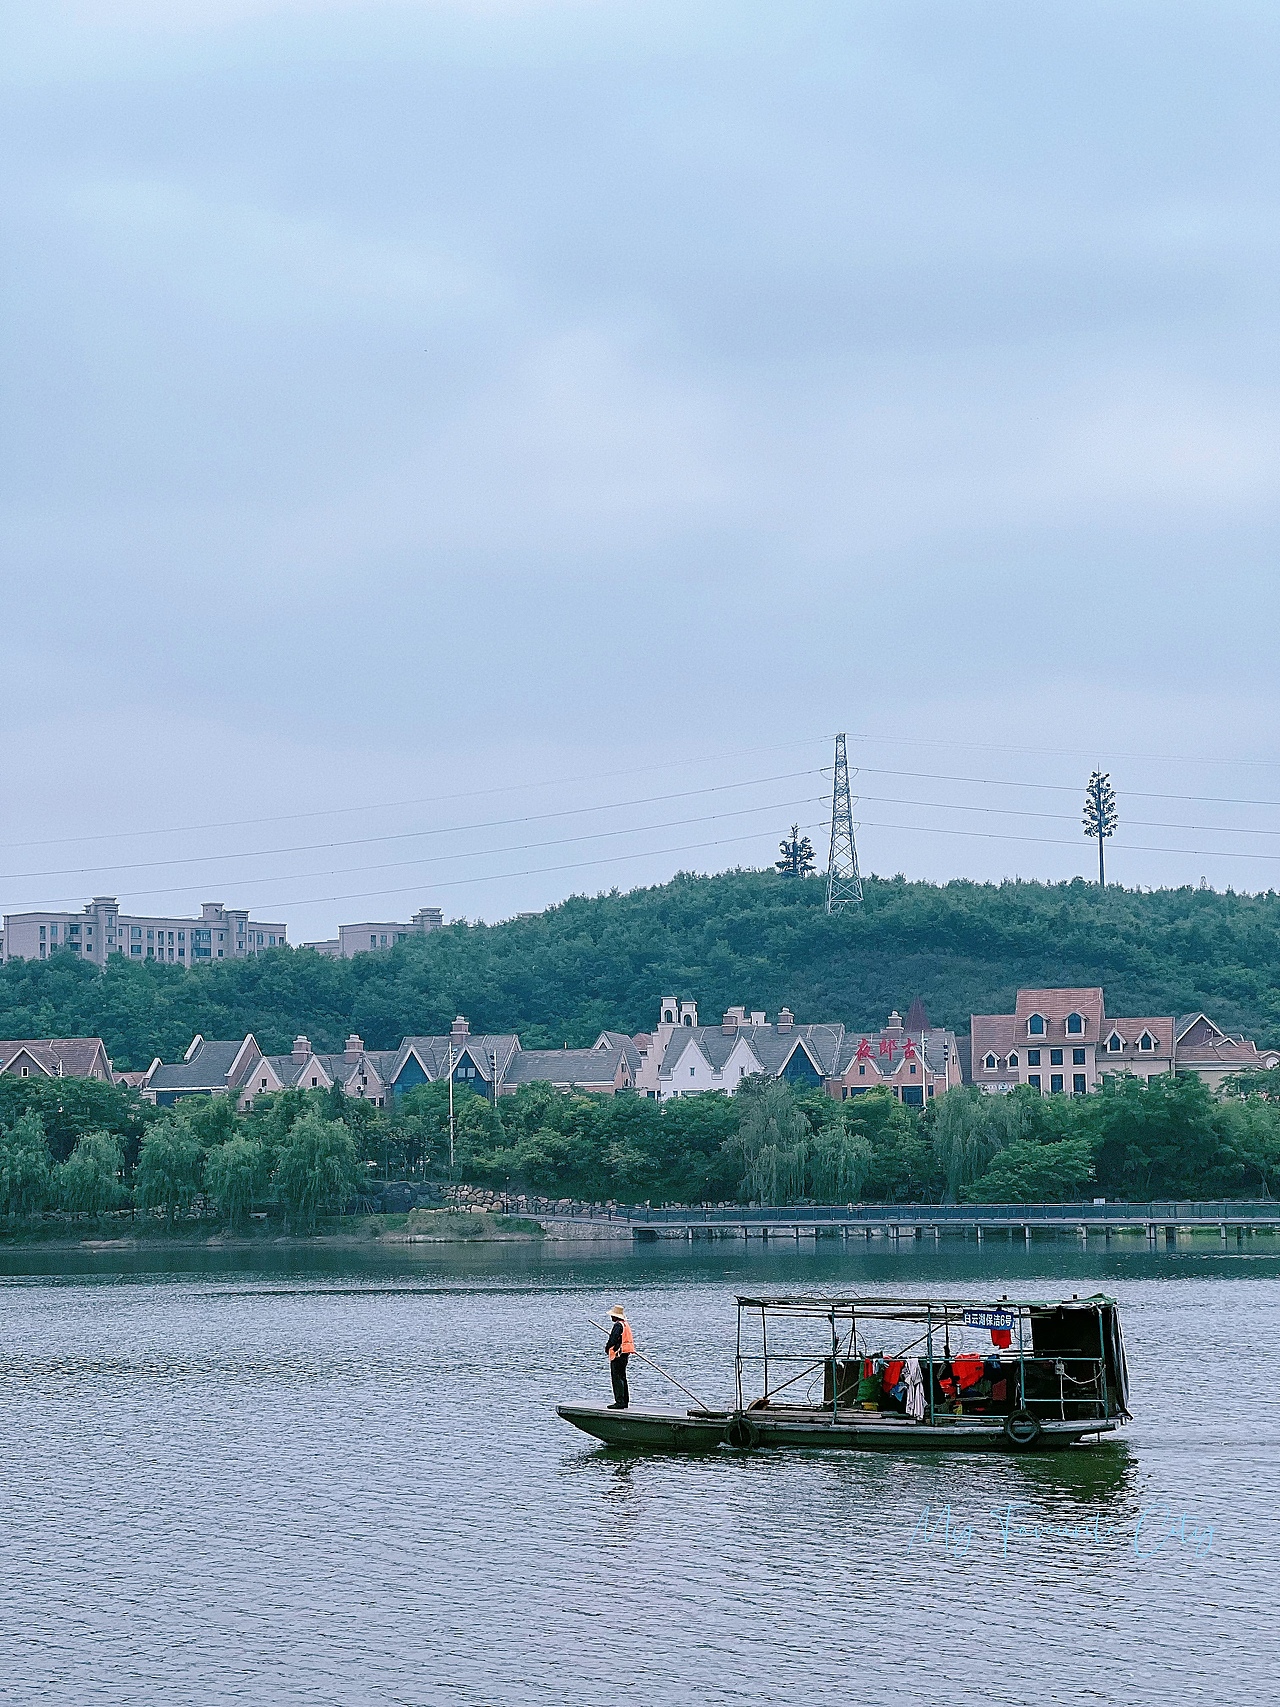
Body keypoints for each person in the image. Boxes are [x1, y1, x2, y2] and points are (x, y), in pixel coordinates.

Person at [605, 1304, 634, 1409]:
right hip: (625, 1354)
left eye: (612, 1315)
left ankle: (619, 1401)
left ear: (616, 1316)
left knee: (617, 1378)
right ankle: (625, 1401)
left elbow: (613, 1340)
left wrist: (607, 1348)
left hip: (618, 1354)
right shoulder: (625, 1324)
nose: (611, 1317)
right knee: (622, 1377)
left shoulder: (618, 1325)